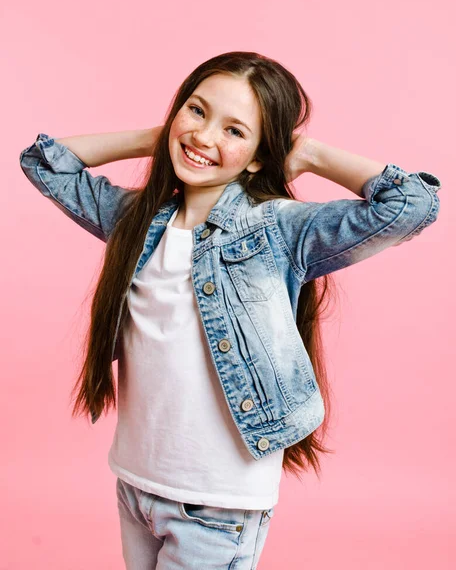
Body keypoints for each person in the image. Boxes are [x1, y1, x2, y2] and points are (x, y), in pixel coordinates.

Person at [19, 51, 442, 570]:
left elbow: (411, 204)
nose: (204, 136)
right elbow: (45, 162)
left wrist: (308, 155)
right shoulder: (136, 220)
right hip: (136, 481)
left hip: (217, 502)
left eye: (235, 131)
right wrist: (153, 139)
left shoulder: (278, 229)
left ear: (262, 155)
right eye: (196, 111)